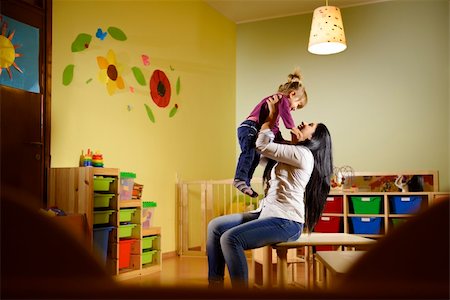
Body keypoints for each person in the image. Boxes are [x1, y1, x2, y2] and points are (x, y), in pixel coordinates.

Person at [207, 96, 333, 289]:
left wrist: (272, 116)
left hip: (286, 221)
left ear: (313, 138)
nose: (303, 123)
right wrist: (256, 125)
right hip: (268, 213)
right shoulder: (291, 151)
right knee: (215, 226)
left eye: (309, 125)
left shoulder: (304, 155)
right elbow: (262, 152)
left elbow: (263, 146)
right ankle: (214, 285)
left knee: (230, 239)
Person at [233, 69, 308, 198]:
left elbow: (274, 129)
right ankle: (239, 178)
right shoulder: (280, 98)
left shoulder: (278, 107)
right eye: (297, 104)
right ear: (292, 94)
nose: (294, 108)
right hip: (249, 127)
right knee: (249, 152)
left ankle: (246, 182)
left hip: (254, 129)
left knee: (255, 157)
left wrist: (285, 142)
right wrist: (293, 128)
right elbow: (286, 115)